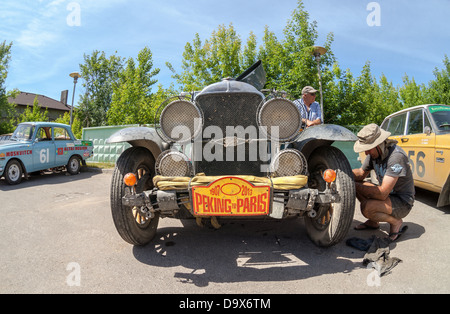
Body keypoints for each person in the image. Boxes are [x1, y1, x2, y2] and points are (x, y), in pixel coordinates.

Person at [352, 123, 415, 242]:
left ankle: (396, 222)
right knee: (358, 185)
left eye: (368, 149)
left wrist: (352, 184)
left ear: (378, 144)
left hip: (402, 201)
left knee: (367, 208)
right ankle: (373, 221)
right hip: (388, 196)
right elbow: (360, 173)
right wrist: (343, 173)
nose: (366, 153)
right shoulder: (374, 154)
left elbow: (382, 193)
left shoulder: (396, 157)